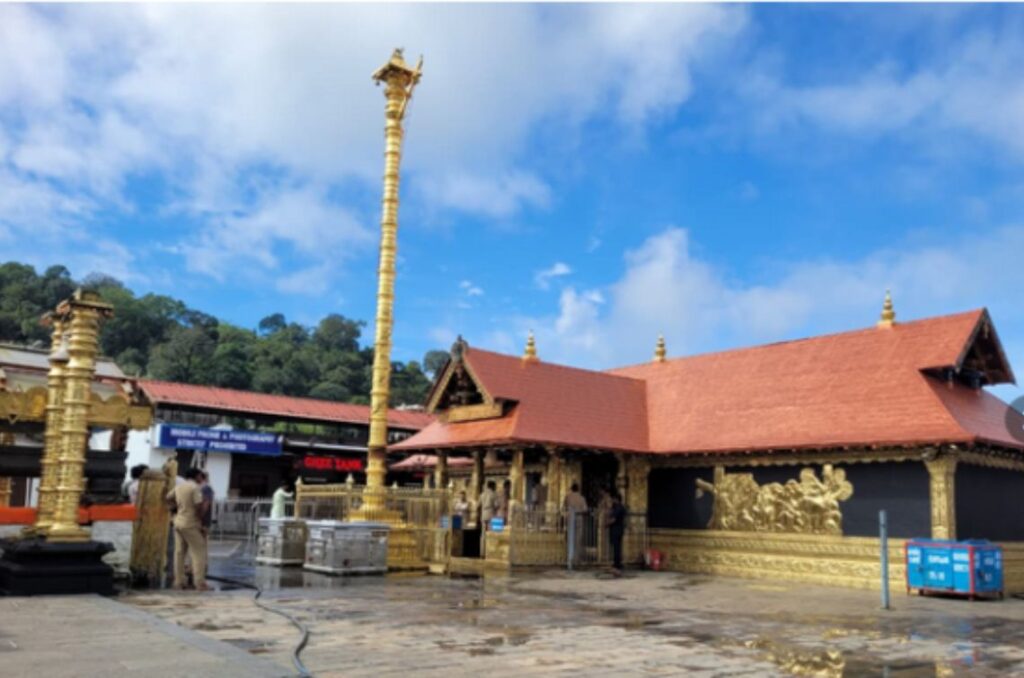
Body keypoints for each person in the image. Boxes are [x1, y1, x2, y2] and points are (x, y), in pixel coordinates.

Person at [166, 467, 208, 591]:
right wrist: (201, 516)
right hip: (190, 523)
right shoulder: (194, 487)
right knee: (198, 551)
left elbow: (168, 497)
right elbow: (198, 505)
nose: (202, 478)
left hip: (178, 522)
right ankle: (199, 583)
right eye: (201, 476)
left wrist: (174, 510)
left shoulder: (179, 486)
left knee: (179, 552)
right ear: (196, 476)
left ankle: (178, 582)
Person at [608, 490, 627, 576]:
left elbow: (613, 519)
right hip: (619, 529)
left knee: (616, 548)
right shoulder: (620, 507)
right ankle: (617, 563)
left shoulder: (618, 508)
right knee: (617, 547)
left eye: (613, 499)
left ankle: (617, 564)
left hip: (616, 529)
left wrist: (606, 523)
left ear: (616, 499)